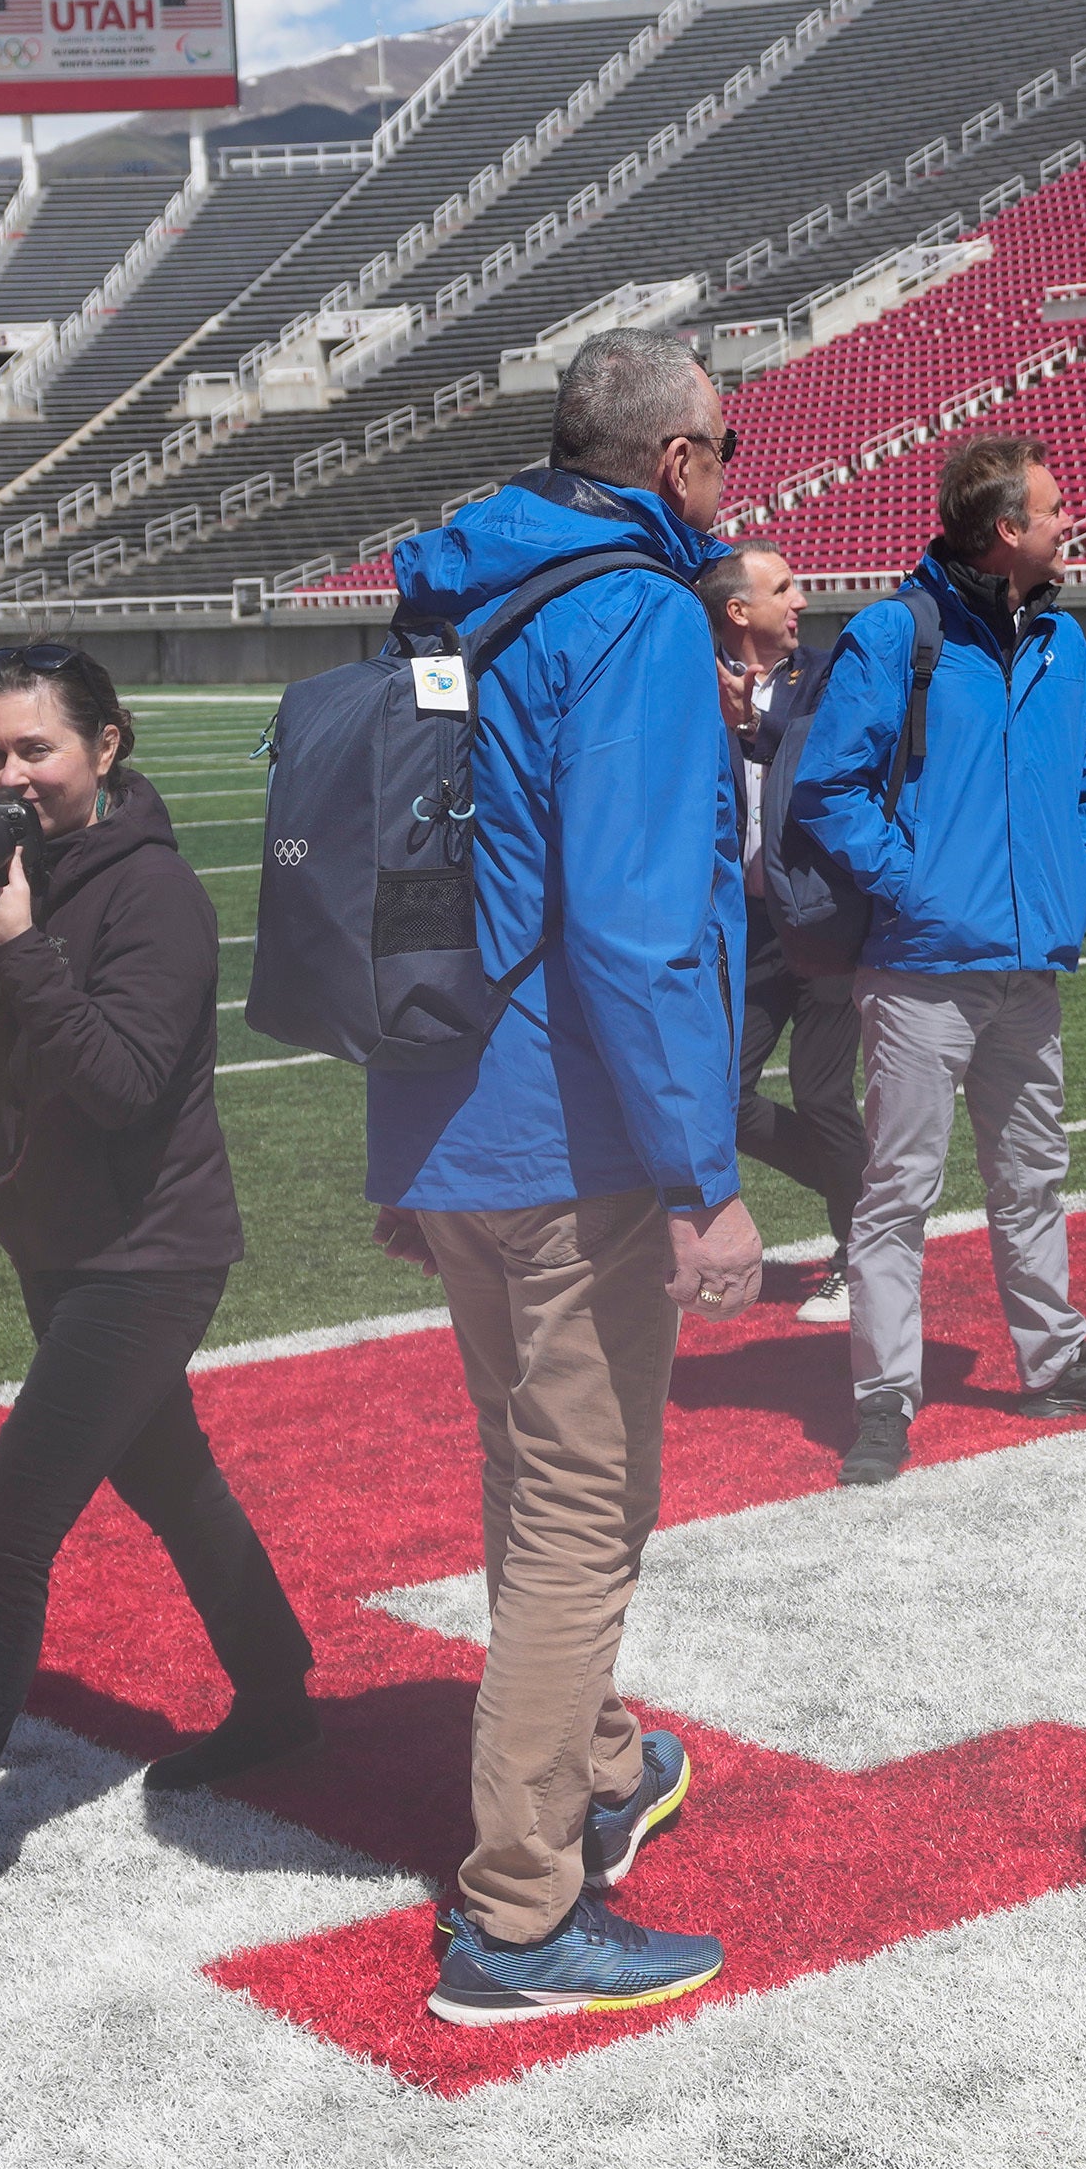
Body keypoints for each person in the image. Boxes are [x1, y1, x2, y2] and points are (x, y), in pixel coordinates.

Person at [370, 336, 764, 2022]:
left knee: (536, 1473)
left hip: (451, 1111)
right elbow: (635, 921)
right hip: (573, 1130)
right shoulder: (635, 614)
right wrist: (706, 1173)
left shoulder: (453, 586)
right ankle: (519, 1916)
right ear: (675, 460)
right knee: (580, 1518)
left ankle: (603, 1757)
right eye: (725, 446)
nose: (735, 472)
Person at [0, 644, 313, 1937]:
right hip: (58, 1244)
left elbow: (124, 1080)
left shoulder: (156, 898)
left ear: (106, 747)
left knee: (8, 1526)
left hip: (151, 1258)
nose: (11, 774)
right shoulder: (12, 872)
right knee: (174, 1482)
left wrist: (21, 942)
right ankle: (279, 1691)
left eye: (36, 749)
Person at [792, 433, 1086, 1486]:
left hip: (1028, 965)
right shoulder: (890, 636)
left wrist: (1070, 885)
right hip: (918, 969)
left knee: (1032, 1174)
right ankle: (882, 1395)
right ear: (1007, 531)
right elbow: (830, 788)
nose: (1070, 523)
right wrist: (921, 892)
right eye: (1054, 510)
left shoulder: (1065, 643)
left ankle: (1054, 1356)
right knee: (898, 1187)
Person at [702, 546, 870, 1313]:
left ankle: (859, 1248)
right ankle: (869, 1203)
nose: (801, 600)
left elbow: (807, 759)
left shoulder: (827, 675)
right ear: (739, 611)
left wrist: (743, 728)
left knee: (824, 1093)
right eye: (784, 589)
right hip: (754, 926)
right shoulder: (692, 677)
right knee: (723, 1100)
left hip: (824, 919)